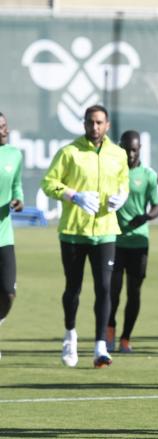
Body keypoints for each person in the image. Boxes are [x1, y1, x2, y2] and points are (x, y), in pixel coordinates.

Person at [41, 104, 129, 368]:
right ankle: (70, 335)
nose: (95, 127)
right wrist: (73, 196)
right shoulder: (70, 152)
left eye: (100, 123)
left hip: (105, 231)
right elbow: (49, 183)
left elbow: (123, 182)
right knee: (73, 288)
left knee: (104, 287)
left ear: (108, 125)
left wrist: (122, 197)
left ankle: (101, 344)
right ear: (84, 124)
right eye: (91, 122)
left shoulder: (118, 153)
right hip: (73, 232)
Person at [107, 131, 158, 353]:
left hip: (139, 244)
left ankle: (126, 339)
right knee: (112, 291)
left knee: (134, 292)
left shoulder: (148, 175)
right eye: (126, 149)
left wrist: (146, 216)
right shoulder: (111, 172)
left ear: (140, 149)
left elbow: (156, 206)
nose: (130, 153)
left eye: (134, 149)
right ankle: (108, 333)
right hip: (114, 241)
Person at [0, 112, 23, 360]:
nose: (4, 131)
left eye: (5, 126)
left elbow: (16, 184)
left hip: (4, 237)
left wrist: (18, 199)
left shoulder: (14, 154)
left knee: (8, 292)